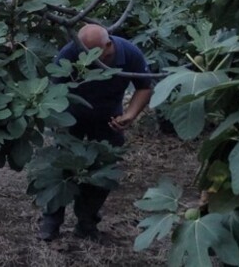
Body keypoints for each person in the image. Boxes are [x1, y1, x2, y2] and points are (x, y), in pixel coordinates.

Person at [38, 24, 153, 242]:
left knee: (104, 170)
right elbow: (54, 91)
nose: (88, 57)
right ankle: (51, 220)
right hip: (70, 118)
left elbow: (144, 86)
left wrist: (130, 114)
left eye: (94, 53)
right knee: (61, 167)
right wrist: (58, 124)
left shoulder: (129, 53)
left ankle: (87, 222)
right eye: (84, 52)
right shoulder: (68, 53)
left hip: (109, 120)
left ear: (108, 45)